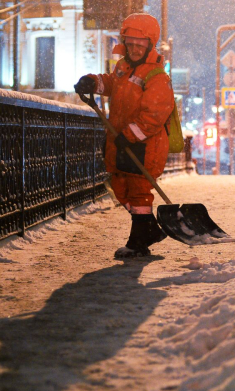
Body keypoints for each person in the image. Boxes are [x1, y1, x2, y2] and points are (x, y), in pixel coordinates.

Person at [74, 13, 174, 258]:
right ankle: (148, 227)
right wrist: (93, 82)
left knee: (139, 190)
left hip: (145, 145)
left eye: (139, 45)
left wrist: (129, 135)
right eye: (130, 43)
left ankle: (138, 242)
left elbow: (154, 115)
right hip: (122, 141)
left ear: (150, 45)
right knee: (120, 184)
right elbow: (112, 83)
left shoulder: (157, 76)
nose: (134, 49)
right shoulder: (123, 67)